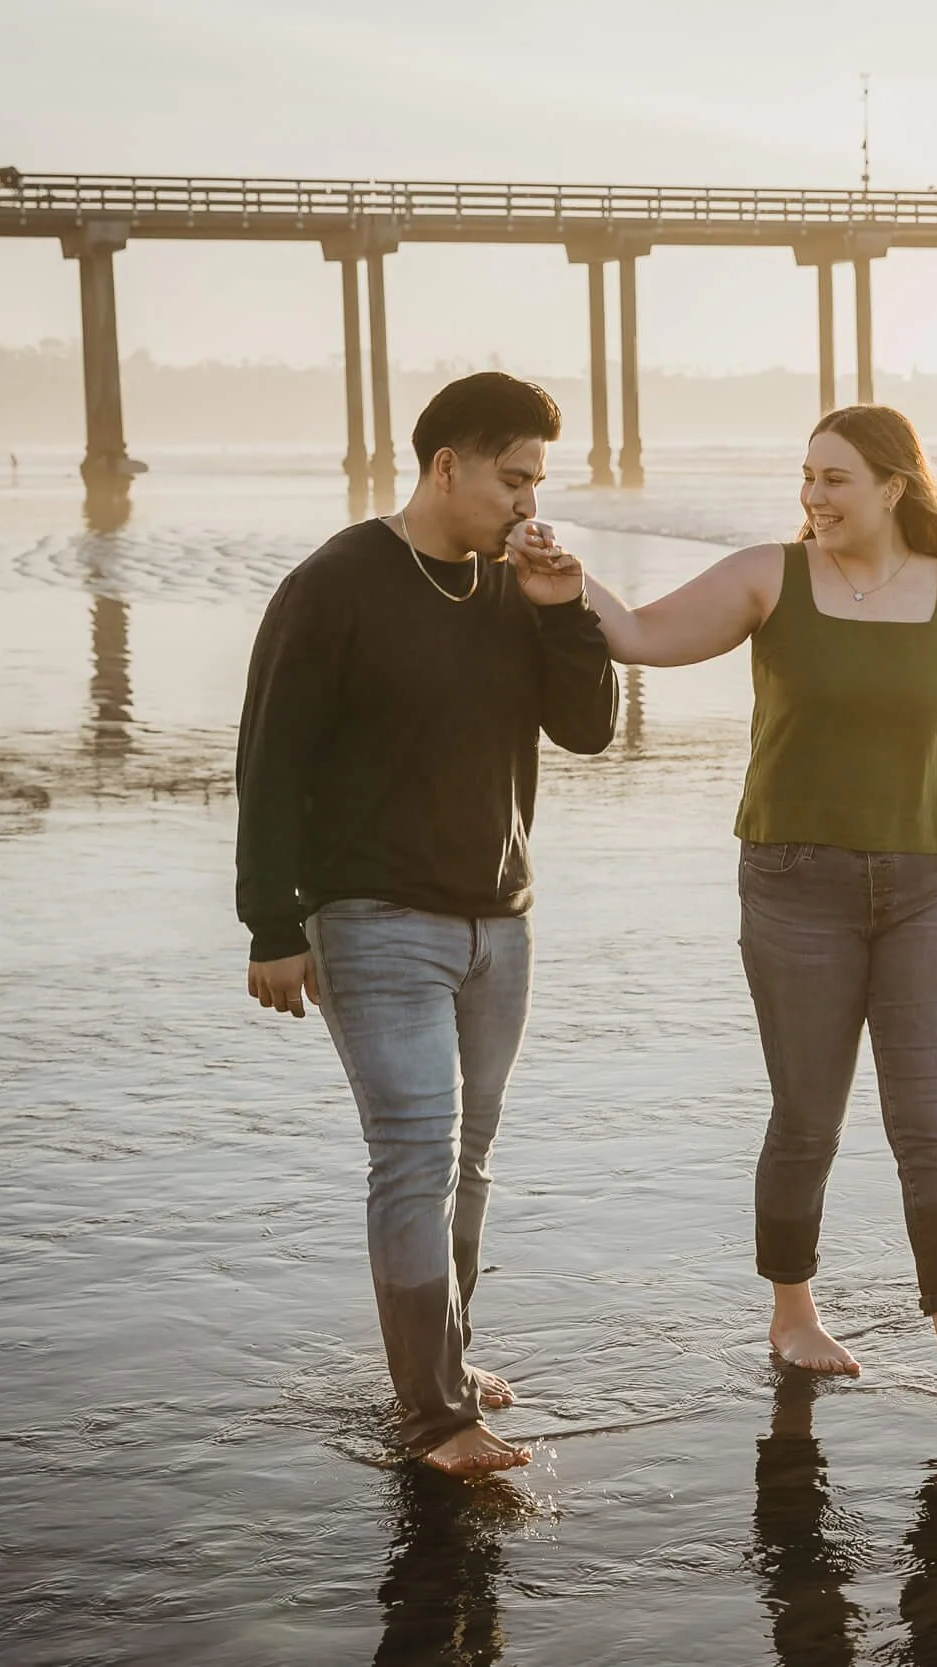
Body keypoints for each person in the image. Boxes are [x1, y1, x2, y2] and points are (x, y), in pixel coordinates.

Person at [519, 404, 937, 1418]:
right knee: (808, 1118)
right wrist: (570, 583)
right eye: (806, 476)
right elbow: (642, 636)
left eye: (835, 478)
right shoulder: (769, 576)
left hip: (931, 883)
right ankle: (793, 1313)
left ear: (894, 486)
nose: (813, 496)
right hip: (795, 884)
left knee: (935, 1131)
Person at [235, 372, 618, 1477]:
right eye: (514, 476)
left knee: (472, 1155)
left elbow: (588, 729)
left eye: (538, 479)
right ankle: (437, 1414)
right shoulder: (336, 583)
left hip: (501, 921)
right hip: (372, 915)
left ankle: (443, 1356)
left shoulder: (517, 585)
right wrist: (272, 923)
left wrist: (563, 611)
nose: (529, 500)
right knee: (414, 1155)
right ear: (447, 465)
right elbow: (271, 758)